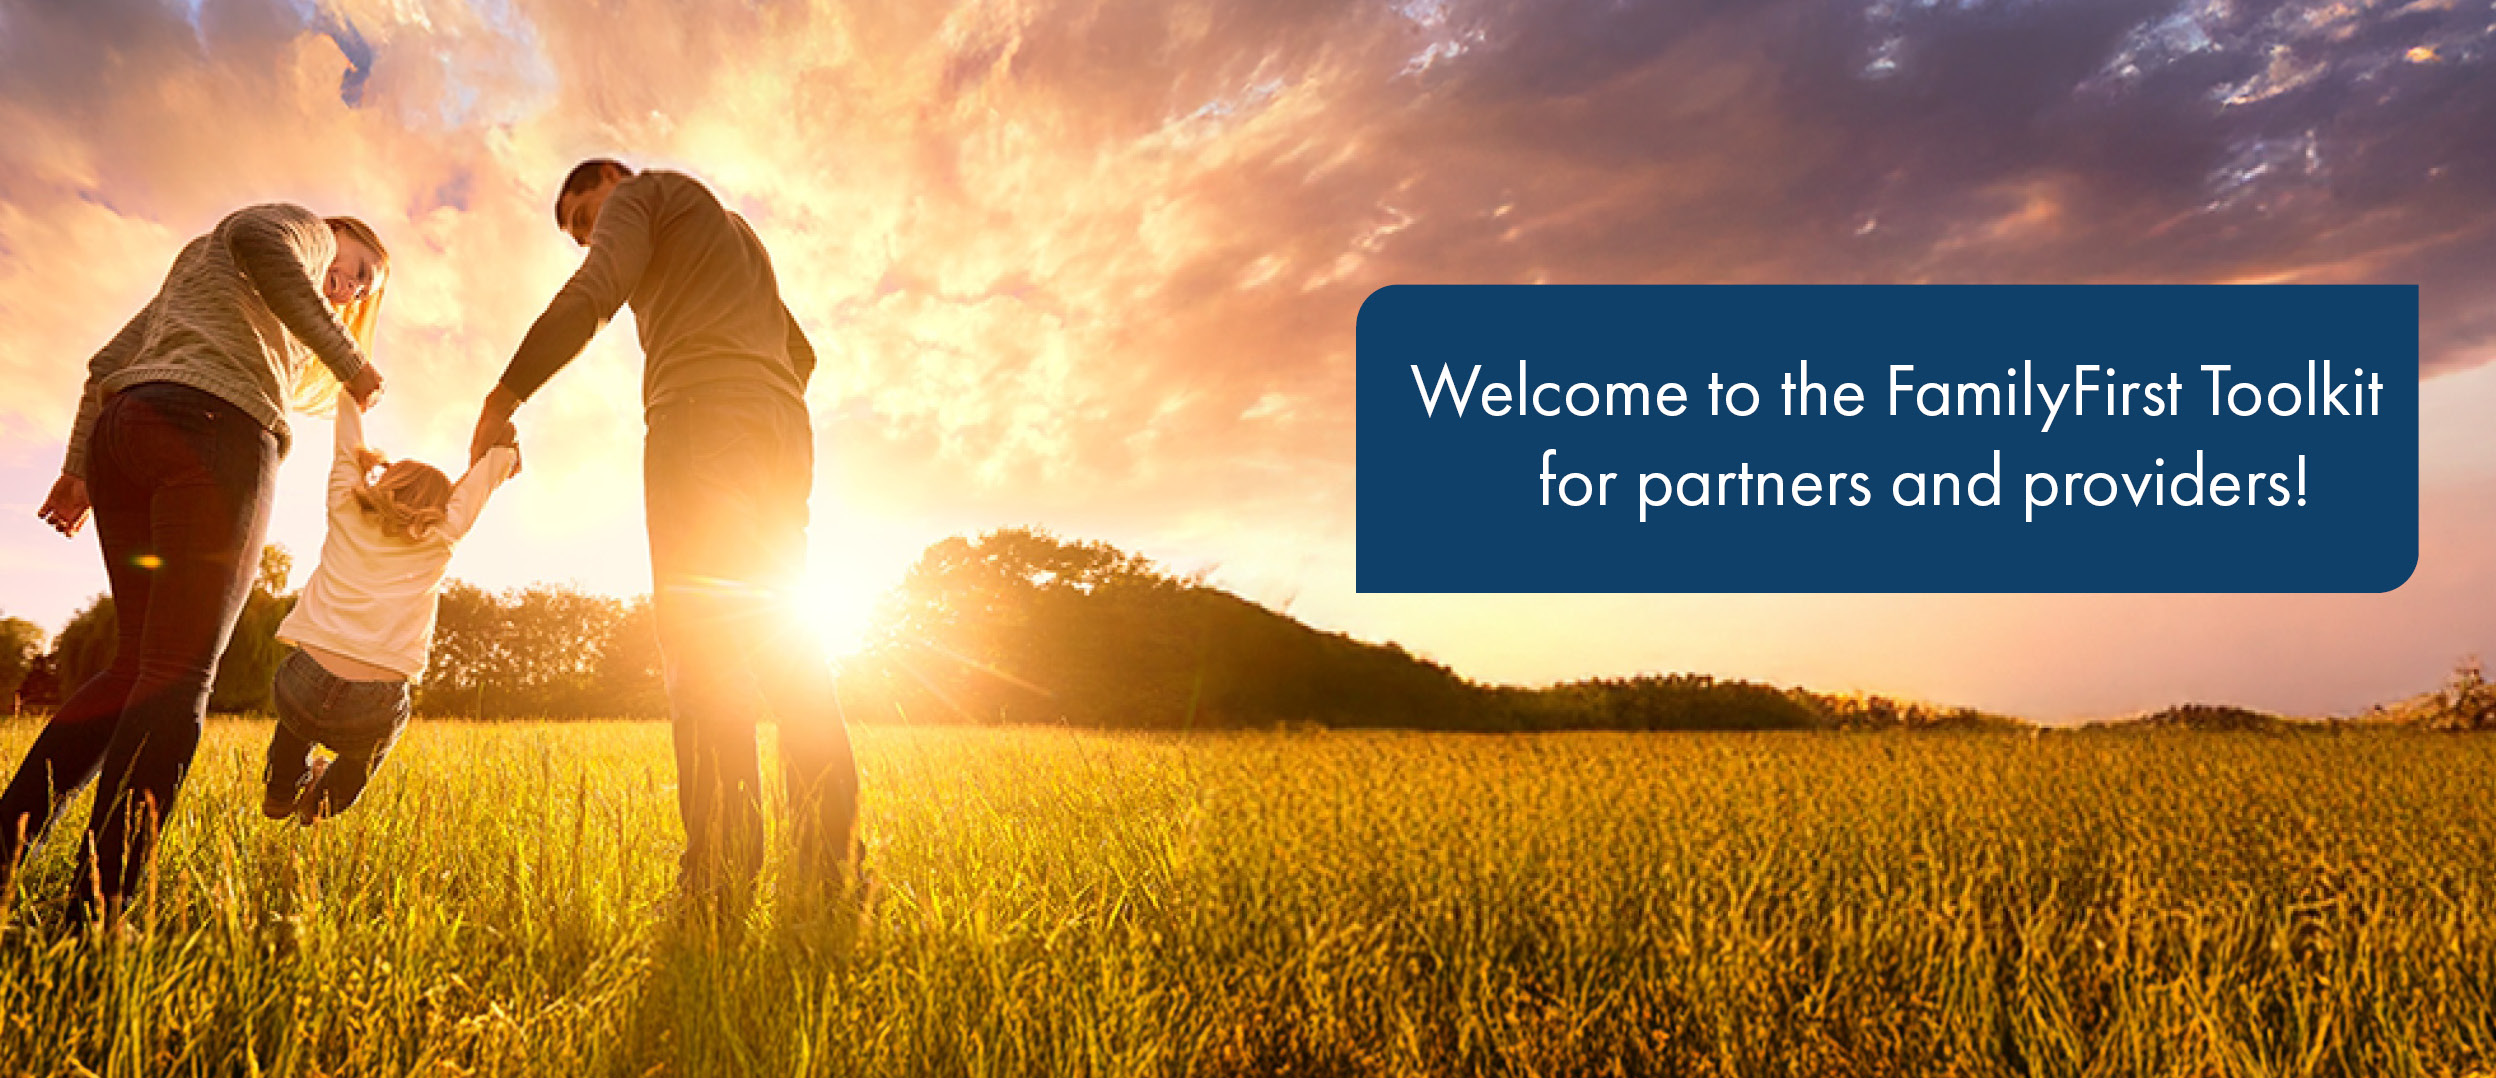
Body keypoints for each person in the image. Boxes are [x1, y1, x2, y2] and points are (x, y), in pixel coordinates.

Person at [468, 159, 858, 911]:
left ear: (615, 179)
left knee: (703, 646)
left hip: (700, 420)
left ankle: (717, 884)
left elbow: (594, 292)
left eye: (587, 218)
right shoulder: (733, 232)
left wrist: (502, 395)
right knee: (789, 647)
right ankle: (828, 877)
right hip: (781, 429)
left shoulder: (645, 195)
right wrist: (753, 392)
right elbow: (800, 352)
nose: (590, 238)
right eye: (580, 232)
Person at [2, 205, 389, 926]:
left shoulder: (204, 282)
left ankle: (3, 851)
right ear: (335, 234)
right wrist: (351, 361)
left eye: (362, 292)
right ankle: (98, 916)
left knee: (135, 669)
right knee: (179, 675)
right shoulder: (295, 228)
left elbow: (105, 367)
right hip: (215, 432)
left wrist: (79, 466)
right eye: (358, 269)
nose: (351, 288)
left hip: (128, 433)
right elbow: (258, 237)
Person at [261, 396, 519, 825]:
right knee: (363, 757)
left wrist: (350, 395)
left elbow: (346, 447)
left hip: (303, 680)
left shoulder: (345, 508)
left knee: (297, 719)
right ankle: (322, 802)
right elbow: (483, 482)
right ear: (441, 506)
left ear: (386, 483)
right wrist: (503, 449)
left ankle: (281, 789)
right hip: (374, 700)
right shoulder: (443, 534)